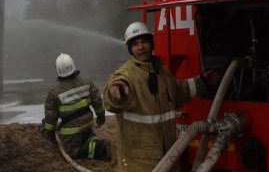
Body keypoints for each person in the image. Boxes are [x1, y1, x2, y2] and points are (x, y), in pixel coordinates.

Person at [104, 21, 221, 172]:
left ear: (151, 44)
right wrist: (115, 92)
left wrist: (203, 81)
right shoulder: (127, 75)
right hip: (140, 163)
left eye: (144, 42)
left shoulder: (163, 73)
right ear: (130, 49)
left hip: (168, 155)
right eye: (135, 44)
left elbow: (178, 92)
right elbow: (111, 100)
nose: (141, 47)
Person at [41, 53, 110, 161]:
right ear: (73, 66)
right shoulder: (86, 82)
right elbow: (97, 100)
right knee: (87, 137)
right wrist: (101, 116)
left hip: (72, 130)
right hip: (88, 123)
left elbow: (50, 118)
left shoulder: (54, 93)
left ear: (58, 70)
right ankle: (90, 139)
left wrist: (49, 133)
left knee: (70, 152)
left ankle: (100, 148)